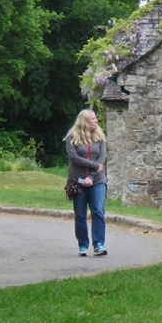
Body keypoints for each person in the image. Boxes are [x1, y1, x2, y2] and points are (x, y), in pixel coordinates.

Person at [64, 109, 108, 256]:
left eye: (96, 118)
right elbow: (74, 158)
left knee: (98, 211)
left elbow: (101, 159)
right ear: (85, 122)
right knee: (80, 215)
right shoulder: (71, 139)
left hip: (97, 181)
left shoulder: (100, 139)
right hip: (77, 181)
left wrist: (92, 176)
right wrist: (94, 166)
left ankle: (99, 244)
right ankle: (83, 244)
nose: (96, 121)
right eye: (93, 119)